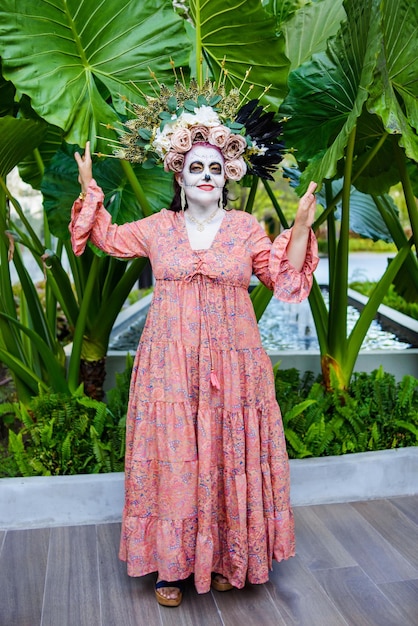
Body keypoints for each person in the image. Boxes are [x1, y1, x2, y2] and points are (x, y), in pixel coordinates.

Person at [70, 80, 318, 607]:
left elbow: (285, 280)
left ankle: (228, 557)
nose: (204, 176)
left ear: (226, 175)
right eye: (194, 168)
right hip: (170, 364)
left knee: (228, 453)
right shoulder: (159, 228)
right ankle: (170, 564)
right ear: (179, 176)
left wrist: (298, 228)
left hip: (235, 365)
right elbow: (108, 240)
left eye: (213, 168)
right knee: (175, 455)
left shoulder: (247, 228)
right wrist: (91, 190)